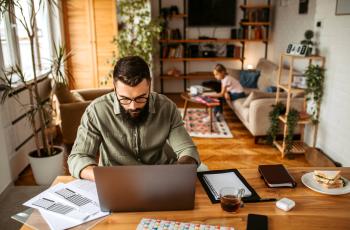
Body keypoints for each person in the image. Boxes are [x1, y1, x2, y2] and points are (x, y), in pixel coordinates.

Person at [68, 56, 201, 181]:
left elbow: (187, 150)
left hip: (160, 178)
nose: (133, 106)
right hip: (115, 180)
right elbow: (78, 157)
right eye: (125, 98)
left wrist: (177, 172)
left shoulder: (167, 107)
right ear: (115, 88)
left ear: (149, 86)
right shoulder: (96, 111)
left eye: (141, 97)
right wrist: (104, 178)